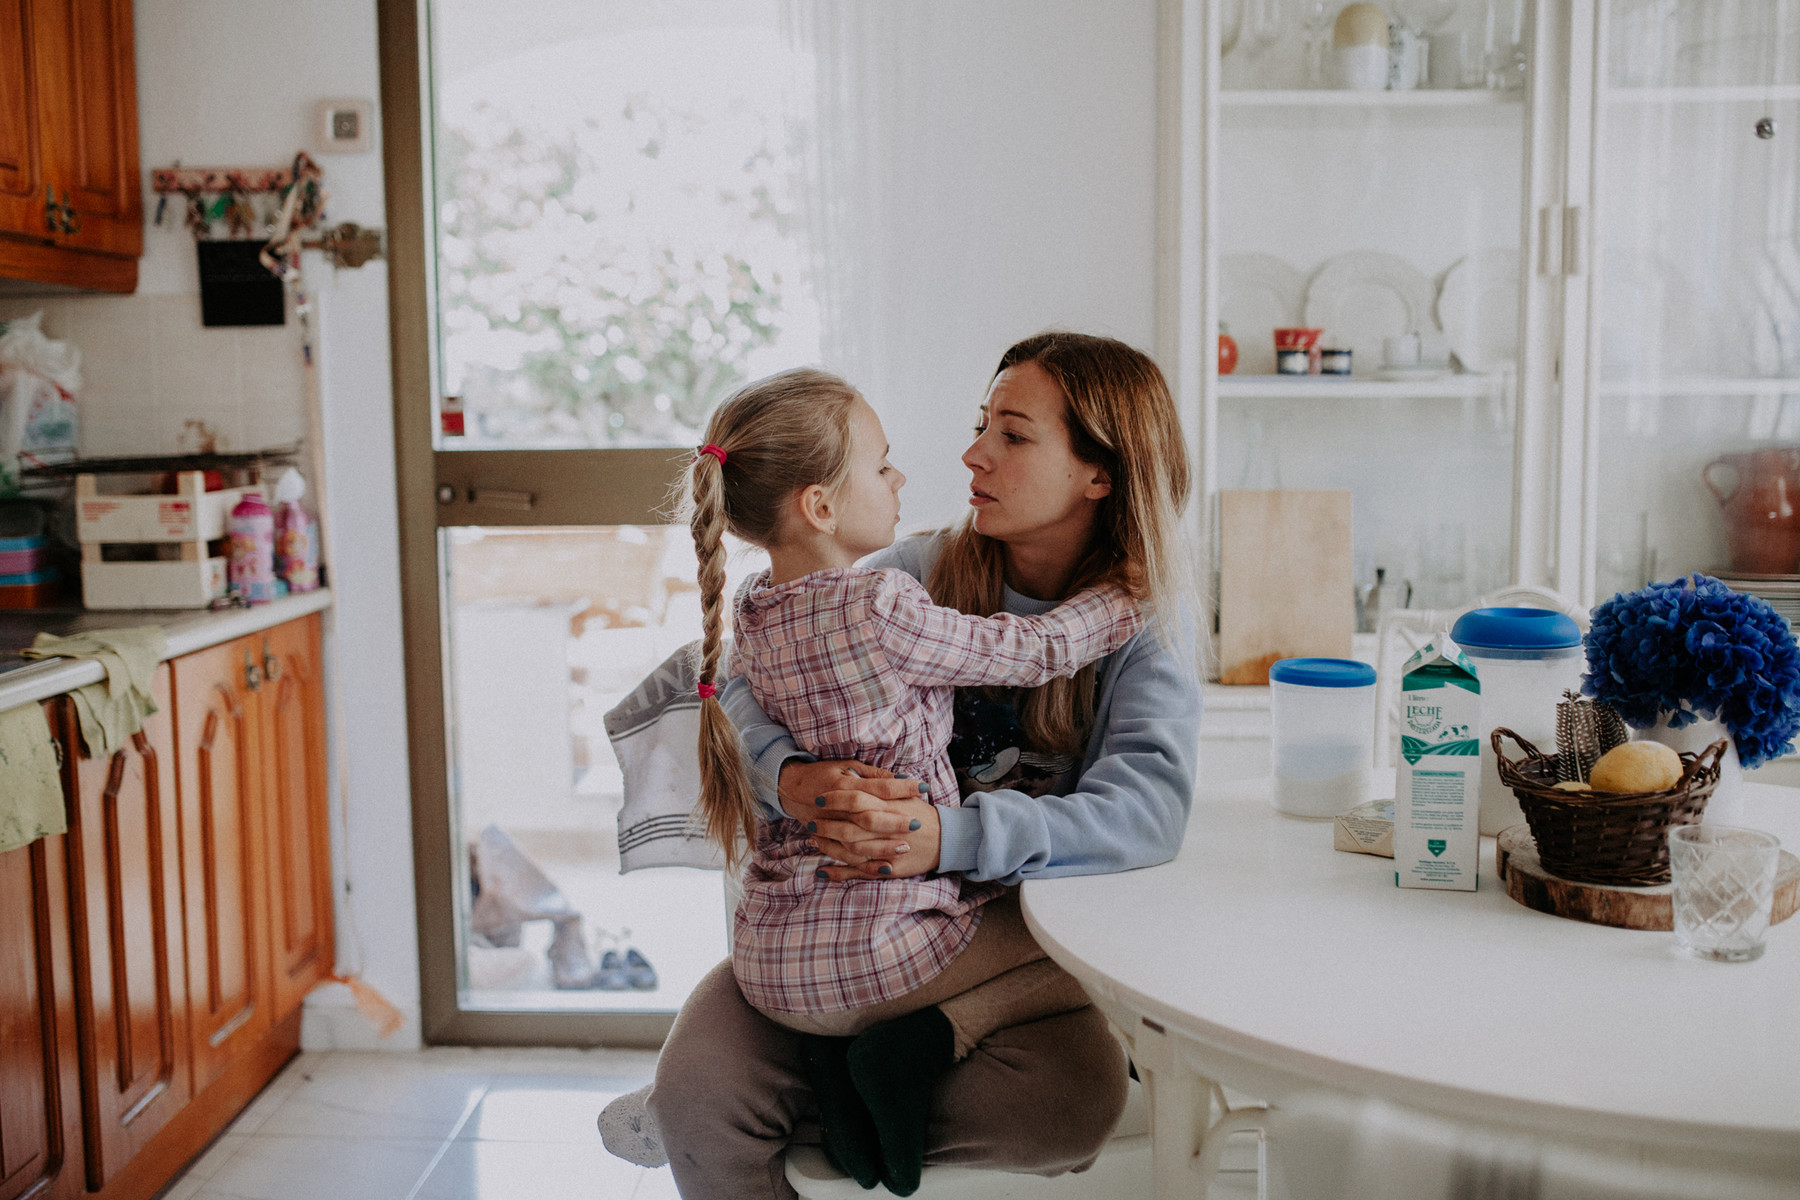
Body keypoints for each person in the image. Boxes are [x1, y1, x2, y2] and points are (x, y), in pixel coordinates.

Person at [635, 332, 1202, 1200]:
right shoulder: (909, 577)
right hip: (850, 913)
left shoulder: (1138, 629)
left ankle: (870, 1067)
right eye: (983, 424)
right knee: (697, 1099)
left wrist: (947, 837)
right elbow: (728, 678)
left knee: (1070, 1103)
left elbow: (1143, 815)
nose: (972, 453)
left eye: (1013, 434)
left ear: (1102, 472)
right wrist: (786, 772)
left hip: (993, 934)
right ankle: (845, 1072)